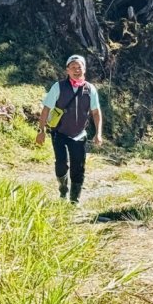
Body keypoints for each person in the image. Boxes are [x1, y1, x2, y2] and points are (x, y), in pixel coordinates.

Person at [36, 54, 103, 205]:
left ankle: (74, 200)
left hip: (79, 135)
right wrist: (41, 131)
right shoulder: (58, 87)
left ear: (84, 69)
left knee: (78, 167)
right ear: (67, 70)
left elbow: (96, 112)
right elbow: (46, 109)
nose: (76, 70)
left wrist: (98, 133)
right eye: (73, 67)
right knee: (61, 164)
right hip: (59, 133)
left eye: (79, 67)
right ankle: (63, 190)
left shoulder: (90, 89)